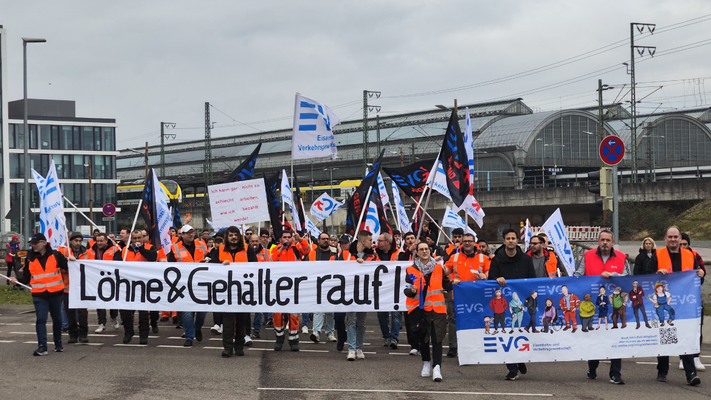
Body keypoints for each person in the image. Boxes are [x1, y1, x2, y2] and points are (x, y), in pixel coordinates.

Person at [645, 226, 704, 385]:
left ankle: (691, 374)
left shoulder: (690, 255)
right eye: (670, 237)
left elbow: (698, 279)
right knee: (665, 336)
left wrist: (700, 274)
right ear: (665, 239)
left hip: (684, 306)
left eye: (675, 237)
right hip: (665, 303)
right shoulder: (658, 255)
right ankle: (662, 371)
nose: (673, 240)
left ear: (680, 238)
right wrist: (657, 273)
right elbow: (647, 276)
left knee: (685, 338)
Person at [574, 229, 629, 384]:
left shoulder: (622, 258)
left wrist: (614, 276)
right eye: (602, 240)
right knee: (594, 338)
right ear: (598, 241)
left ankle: (615, 373)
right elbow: (578, 275)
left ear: (612, 242)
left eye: (608, 240)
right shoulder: (587, 256)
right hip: (593, 304)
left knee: (615, 339)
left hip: (614, 305)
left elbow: (628, 278)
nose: (605, 243)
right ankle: (592, 367)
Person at [487, 227, 536, 381]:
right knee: (507, 333)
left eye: (513, 238)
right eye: (508, 238)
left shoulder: (526, 259)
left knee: (520, 331)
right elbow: (491, 279)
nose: (510, 241)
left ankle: (520, 359)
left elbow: (532, 279)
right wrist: (497, 279)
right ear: (504, 241)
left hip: (522, 303)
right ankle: (512, 368)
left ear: (517, 240)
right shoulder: (496, 259)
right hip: (505, 304)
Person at [9, 233, 69, 356]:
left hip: (56, 293)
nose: (34, 246)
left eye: (36, 243)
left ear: (44, 243)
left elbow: (69, 268)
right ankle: (42, 346)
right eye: (32, 244)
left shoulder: (56, 255)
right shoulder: (30, 258)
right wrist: (17, 281)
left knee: (57, 318)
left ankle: (58, 342)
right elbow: (26, 277)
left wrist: (73, 261)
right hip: (39, 294)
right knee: (41, 319)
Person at [405, 242, 451, 382]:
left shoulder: (438, 268)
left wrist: (456, 282)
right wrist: (411, 291)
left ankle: (437, 367)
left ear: (430, 251)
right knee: (423, 338)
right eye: (421, 249)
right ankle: (426, 363)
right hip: (421, 310)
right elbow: (407, 290)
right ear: (417, 253)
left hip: (437, 309)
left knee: (437, 338)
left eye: (426, 249)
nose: (424, 251)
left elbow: (446, 284)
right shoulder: (411, 270)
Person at [208, 226, 257, 357]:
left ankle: (239, 347)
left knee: (242, 320)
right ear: (227, 237)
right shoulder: (220, 250)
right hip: (227, 291)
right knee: (228, 321)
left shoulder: (247, 249)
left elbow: (256, 267)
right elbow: (212, 267)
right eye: (231, 235)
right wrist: (221, 265)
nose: (234, 237)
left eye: (236, 234)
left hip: (243, 290)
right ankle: (228, 348)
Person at [443, 232, 488, 357]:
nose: (467, 243)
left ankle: (476, 346)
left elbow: (491, 272)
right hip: (457, 295)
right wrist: (452, 280)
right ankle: (453, 347)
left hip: (477, 296)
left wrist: (486, 276)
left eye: (470, 240)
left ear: (475, 243)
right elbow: (445, 272)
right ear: (462, 243)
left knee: (476, 320)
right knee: (454, 320)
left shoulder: (483, 258)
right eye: (465, 241)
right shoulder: (455, 257)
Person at [112, 230, 156, 344]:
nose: (137, 240)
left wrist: (141, 249)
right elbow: (115, 264)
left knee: (143, 314)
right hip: (128, 286)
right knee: (125, 312)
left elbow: (153, 258)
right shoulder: (124, 251)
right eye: (135, 238)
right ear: (131, 238)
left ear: (143, 238)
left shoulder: (150, 248)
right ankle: (128, 332)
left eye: (139, 238)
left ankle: (143, 335)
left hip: (144, 286)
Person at [168, 225, 209, 347]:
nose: (191, 234)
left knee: (202, 312)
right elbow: (170, 266)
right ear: (182, 235)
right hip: (184, 285)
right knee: (186, 312)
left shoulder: (201, 244)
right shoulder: (175, 248)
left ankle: (197, 328)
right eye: (188, 233)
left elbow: (209, 258)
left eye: (192, 232)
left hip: (201, 283)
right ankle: (189, 336)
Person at [269, 229, 310, 351]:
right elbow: (272, 261)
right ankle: (279, 338)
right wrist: (282, 248)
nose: (286, 239)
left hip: (294, 285)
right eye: (284, 237)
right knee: (277, 313)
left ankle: (293, 340)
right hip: (279, 286)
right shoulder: (276, 249)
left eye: (288, 237)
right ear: (280, 239)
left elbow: (307, 250)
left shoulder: (296, 248)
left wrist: (300, 239)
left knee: (293, 314)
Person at [344, 230, 377, 360]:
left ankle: (359, 348)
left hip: (365, 293)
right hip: (349, 292)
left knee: (362, 322)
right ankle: (351, 349)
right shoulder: (346, 254)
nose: (372, 242)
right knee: (351, 320)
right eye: (370, 240)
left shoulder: (372, 256)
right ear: (363, 241)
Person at [680, 233, 706, 371]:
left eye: (685, 244)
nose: (683, 246)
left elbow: (702, 275)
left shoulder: (694, 256)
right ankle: (682, 358)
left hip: (693, 299)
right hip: (678, 300)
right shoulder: (674, 257)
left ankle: (696, 356)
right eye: (681, 244)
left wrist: (701, 273)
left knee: (697, 328)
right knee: (681, 328)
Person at [84, 233, 120, 334]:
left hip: (111, 279)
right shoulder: (90, 250)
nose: (99, 243)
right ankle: (101, 323)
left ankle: (114, 317)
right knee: (99, 301)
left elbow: (118, 263)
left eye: (101, 241)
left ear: (106, 241)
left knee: (113, 300)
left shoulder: (114, 249)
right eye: (97, 241)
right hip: (97, 279)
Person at [308, 233, 338, 344]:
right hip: (318, 284)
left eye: (327, 239)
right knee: (318, 309)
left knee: (330, 311)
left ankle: (330, 333)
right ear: (318, 240)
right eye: (323, 239)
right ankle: (316, 332)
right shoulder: (313, 253)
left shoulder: (335, 252)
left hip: (332, 284)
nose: (326, 241)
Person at [61, 232, 89, 344]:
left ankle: (83, 334)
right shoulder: (63, 252)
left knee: (82, 313)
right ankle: (72, 334)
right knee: (70, 313)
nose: (78, 243)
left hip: (82, 288)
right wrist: (68, 261)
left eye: (80, 241)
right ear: (71, 241)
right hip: (67, 288)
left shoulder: (88, 253)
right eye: (76, 241)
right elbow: (59, 266)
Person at [375, 232, 401, 349]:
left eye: (380, 241)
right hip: (380, 288)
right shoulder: (374, 253)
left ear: (387, 242)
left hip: (395, 288)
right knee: (381, 314)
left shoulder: (399, 253)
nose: (377, 243)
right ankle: (386, 336)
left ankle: (394, 338)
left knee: (396, 314)